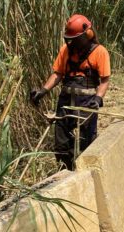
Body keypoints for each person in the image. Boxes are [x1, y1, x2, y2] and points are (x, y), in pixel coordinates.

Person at [30, 14, 111, 169]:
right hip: (66, 101)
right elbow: (58, 74)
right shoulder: (66, 51)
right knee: (61, 143)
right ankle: (64, 172)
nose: (71, 43)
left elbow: (105, 80)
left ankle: (87, 173)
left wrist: (98, 98)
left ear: (87, 35)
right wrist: (43, 91)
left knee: (87, 142)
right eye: (69, 40)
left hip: (87, 102)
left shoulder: (99, 52)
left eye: (75, 40)